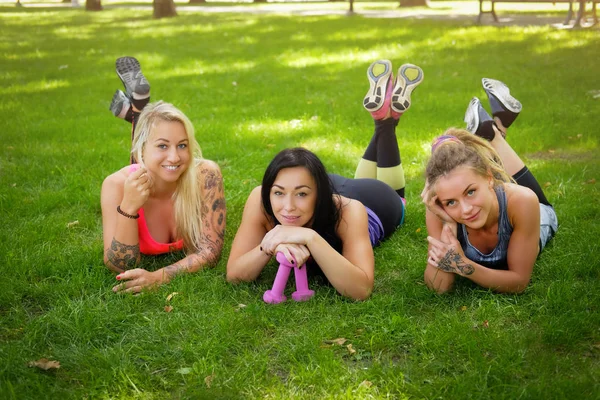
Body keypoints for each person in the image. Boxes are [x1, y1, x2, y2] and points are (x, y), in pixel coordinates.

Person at [226, 60, 424, 300]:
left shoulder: (351, 211)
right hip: (325, 185)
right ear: (269, 190)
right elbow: (234, 275)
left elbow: (361, 290)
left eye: (301, 194)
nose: (287, 206)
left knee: (397, 196)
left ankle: (384, 122)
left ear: (318, 194)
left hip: (377, 200)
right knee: (339, 180)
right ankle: (383, 119)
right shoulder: (260, 197)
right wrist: (270, 243)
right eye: (278, 193)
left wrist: (309, 237)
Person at [101, 57, 226, 294]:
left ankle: (137, 112)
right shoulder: (115, 185)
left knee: (161, 160)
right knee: (145, 170)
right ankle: (138, 115)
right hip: (137, 175)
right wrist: (128, 207)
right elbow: (120, 265)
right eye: (162, 146)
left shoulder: (206, 175)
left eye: (182, 145)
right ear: (141, 153)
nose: (175, 157)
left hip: (150, 163)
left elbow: (210, 251)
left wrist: (159, 276)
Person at [422, 78, 558, 294]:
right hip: (487, 189)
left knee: (532, 199)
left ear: (488, 177)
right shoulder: (439, 208)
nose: (465, 210)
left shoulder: (522, 201)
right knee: (466, 177)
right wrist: (447, 224)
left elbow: (518, 282)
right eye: (451, 202)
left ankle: (493, 136)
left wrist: (465, 267)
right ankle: (492, 131)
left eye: (470, 192)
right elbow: (438, 287)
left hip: (535, 211)